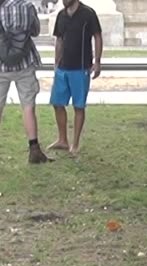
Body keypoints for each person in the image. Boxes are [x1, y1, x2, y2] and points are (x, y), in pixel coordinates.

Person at [0, 0, 51, 165]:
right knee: (28, 107)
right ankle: (34, 150)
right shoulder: (28, 7)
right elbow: (35, 31)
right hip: (24, 62)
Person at [47, 0, 102, 158]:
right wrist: (56, 62)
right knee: (57, 103)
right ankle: (62, 139)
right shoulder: (61, 15)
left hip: (81, 68)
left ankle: (75, 144)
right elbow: (59, 40)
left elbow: (97, 36)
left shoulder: (88, 14)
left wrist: (97, 62)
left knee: (78, 106)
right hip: (63, 68)